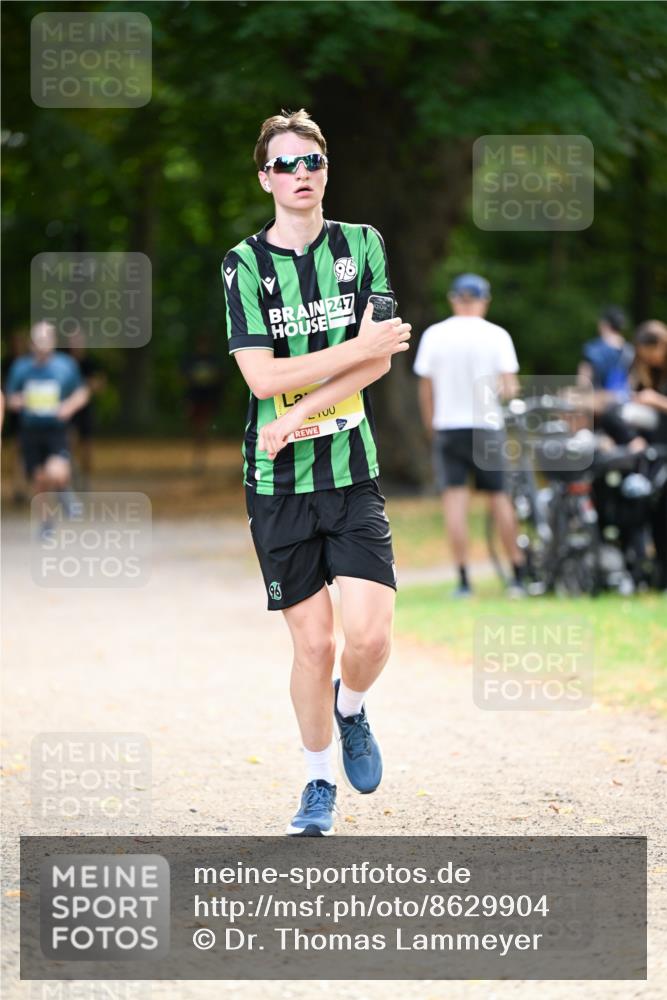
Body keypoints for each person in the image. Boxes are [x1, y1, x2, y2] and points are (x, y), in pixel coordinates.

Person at [221, 108, 411, 836]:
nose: (300, 176)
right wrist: (345, 356)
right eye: (284, 165)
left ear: (325, 170)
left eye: (312, 163)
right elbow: (261, 380)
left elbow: (381, 356)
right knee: (312, 644)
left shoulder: (361, 245)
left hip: (349, 468)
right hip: (276, 483)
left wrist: (299, 410)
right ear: (263, 176)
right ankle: (315, 783)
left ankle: (352, 707)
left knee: (365, 640)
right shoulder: (243, 265)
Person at [413, 273, 525, 597]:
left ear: (453, 299)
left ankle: (463, 581)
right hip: (487, 427)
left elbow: (425, 387)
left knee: (454, 503)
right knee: (500, 499)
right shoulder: (497, 335)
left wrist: (430, 425)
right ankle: (517, 575)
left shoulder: (435, 335)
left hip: (448, 427)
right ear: (484, 301)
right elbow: (509, 386)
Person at [5, 322, 89, 536]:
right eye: (38, 340)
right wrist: (19, 401)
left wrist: (68, 407)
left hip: (56, 429)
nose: (42, 345)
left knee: (56, 471)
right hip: (30, 430)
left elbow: (82, 393)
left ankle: (63, 491)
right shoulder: (20, 368)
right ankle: (46, 522)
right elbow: (10, 397)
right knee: (39, 480)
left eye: (46, 339)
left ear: (53, 342)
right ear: (31, 343)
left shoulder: (65, 366)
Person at [67, 328, 107, 489]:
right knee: (69, 442)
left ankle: (85, 478)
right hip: (68, 410)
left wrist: (89, 386)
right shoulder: (63, 361)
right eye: (72, 341)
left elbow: (101, 384)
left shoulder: (91, 362)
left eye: (78, 341)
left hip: (86, 409)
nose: (75, 344)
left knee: (87, 447)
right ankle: (72, 474)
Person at [181, 334, 224, 473]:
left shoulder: (213, 360)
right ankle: (198, 455)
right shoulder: (191, 360)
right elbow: (184, 378)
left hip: (208, 399)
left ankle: (201, 456)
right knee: (197, 428)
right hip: (195, 399)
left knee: (204, 428)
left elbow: (220, 379)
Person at [578, 306, 634, 408]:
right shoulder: (631, 351)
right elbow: (632, 384)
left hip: (596, 404)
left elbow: (583, 382)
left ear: (604, 324)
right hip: (624, 405)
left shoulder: (592, 349)